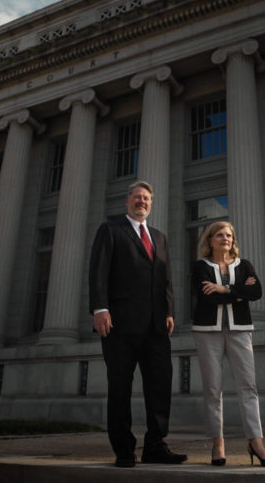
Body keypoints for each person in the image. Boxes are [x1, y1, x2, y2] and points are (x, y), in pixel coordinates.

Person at [89, 180, 187, 468]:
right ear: (127, 201)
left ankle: (156, 446)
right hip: (119, 324)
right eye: (137, 197)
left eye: (146, 198)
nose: (142, 202)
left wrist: (169, 311)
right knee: (119, 386)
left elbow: (165, 278)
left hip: (156, 326)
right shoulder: (110, 229)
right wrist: (100, 308)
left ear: (151, 204)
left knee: (160, 385)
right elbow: (98, 271)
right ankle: (124, 449)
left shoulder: (159, 236)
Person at [191, 221, 265, 467]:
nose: (225, 238)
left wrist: (223, 288)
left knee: (249, 387)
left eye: (228, 235)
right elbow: (206, 298)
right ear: (210, 240)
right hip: (207, 331)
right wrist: (238, 292)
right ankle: (217, 442)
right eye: (219, 235)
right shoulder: (200, 267)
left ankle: (256, 441)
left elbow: (257, 293)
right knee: (212, 388)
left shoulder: (245, 265)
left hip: (240, 330)